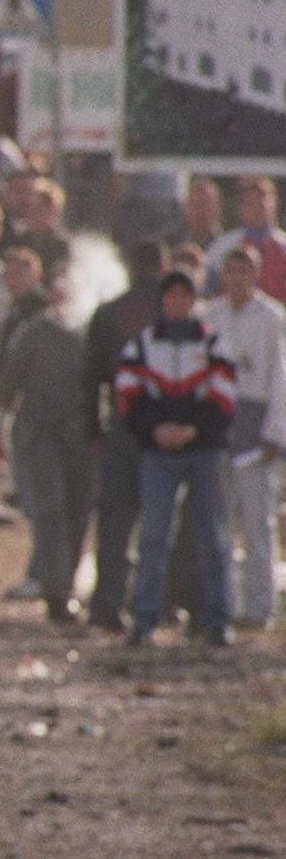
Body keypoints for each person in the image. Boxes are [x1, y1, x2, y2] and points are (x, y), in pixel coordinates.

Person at [117, 271, 238, 647]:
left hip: (205, 451)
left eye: (186, 295)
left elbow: (224, 397)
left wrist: (192, 430)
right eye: (172, 295)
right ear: (162, 300)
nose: (179, 302)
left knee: (213, 536)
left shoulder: (215, 344)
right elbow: (127, 398)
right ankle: (145, 619)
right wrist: (155, 430)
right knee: (153, 536)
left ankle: (217, 620)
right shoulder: (141, 345)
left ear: (194, 299)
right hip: (158, 452)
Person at [0, 253, 92, 624]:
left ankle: (69, 583)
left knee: (77, 513)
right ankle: (56, 593)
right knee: (49, 510)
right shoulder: (34, 331)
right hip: (39, 434)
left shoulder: (91, 330)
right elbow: (5, 387)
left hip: (82, 436)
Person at [84, 240, 169, 632]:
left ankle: (107, 603)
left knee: (115, 520)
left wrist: (92, 428)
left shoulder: (109, 313)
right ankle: (155, 603)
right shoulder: (174, 312)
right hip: (165, 428)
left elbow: (90, 380)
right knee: (161, 520)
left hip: (121, 424)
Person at [201, 245, 286, 630]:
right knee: (219, 523)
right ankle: (224, 602)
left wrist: (274, 434)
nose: (236, 279)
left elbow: (280, 380)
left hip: (256, 429)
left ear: (256, 275)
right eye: (229, 271)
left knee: (257, 522)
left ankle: (259, 606)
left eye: (243, 271)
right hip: (218, 425)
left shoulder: (272, 319)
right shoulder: (210, 315)